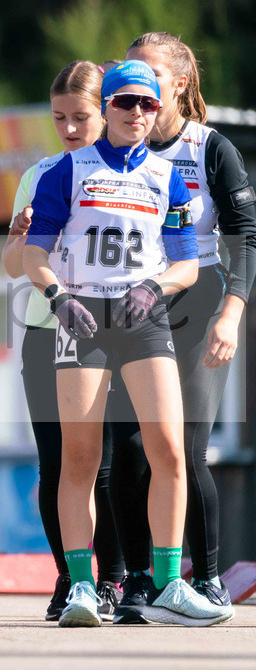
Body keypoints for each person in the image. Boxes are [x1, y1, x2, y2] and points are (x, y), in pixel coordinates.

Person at [23, 60, 231, 627]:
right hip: (83, 317)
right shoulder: (66, 172)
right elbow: (35, 255)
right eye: (125, 103)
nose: (137, 113)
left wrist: (154, 285)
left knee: (168, 450)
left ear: (160, 107)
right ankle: (83, 588)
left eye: (148, 103)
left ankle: (167, 584)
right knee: (81, 459)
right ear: (107, 107)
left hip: (143, 320)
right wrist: (56, 295)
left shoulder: (171, 178)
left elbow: (187, 264)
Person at [109, 32, 256, 620]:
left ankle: (209, 576)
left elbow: (245, 234)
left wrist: (233, 312)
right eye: (128, 75)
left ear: (179, 83)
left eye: (150, 78)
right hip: (129, 307)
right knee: (127, 451)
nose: (138, 93)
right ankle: (139, 581)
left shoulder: (209, 147)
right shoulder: (110, 143)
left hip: (198, 301)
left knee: (184, 447)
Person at [1, 61, 124, 621]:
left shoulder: (127, 173)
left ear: (106, 112)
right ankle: (70, 577)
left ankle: (116, 577)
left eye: (81, 117)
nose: (70, 129)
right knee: (55, 462)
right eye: (59, 119)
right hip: (45, 330)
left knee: (105, 464)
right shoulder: (40, 174)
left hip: (110, 332)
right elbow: (10, 266)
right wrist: (20, 234)